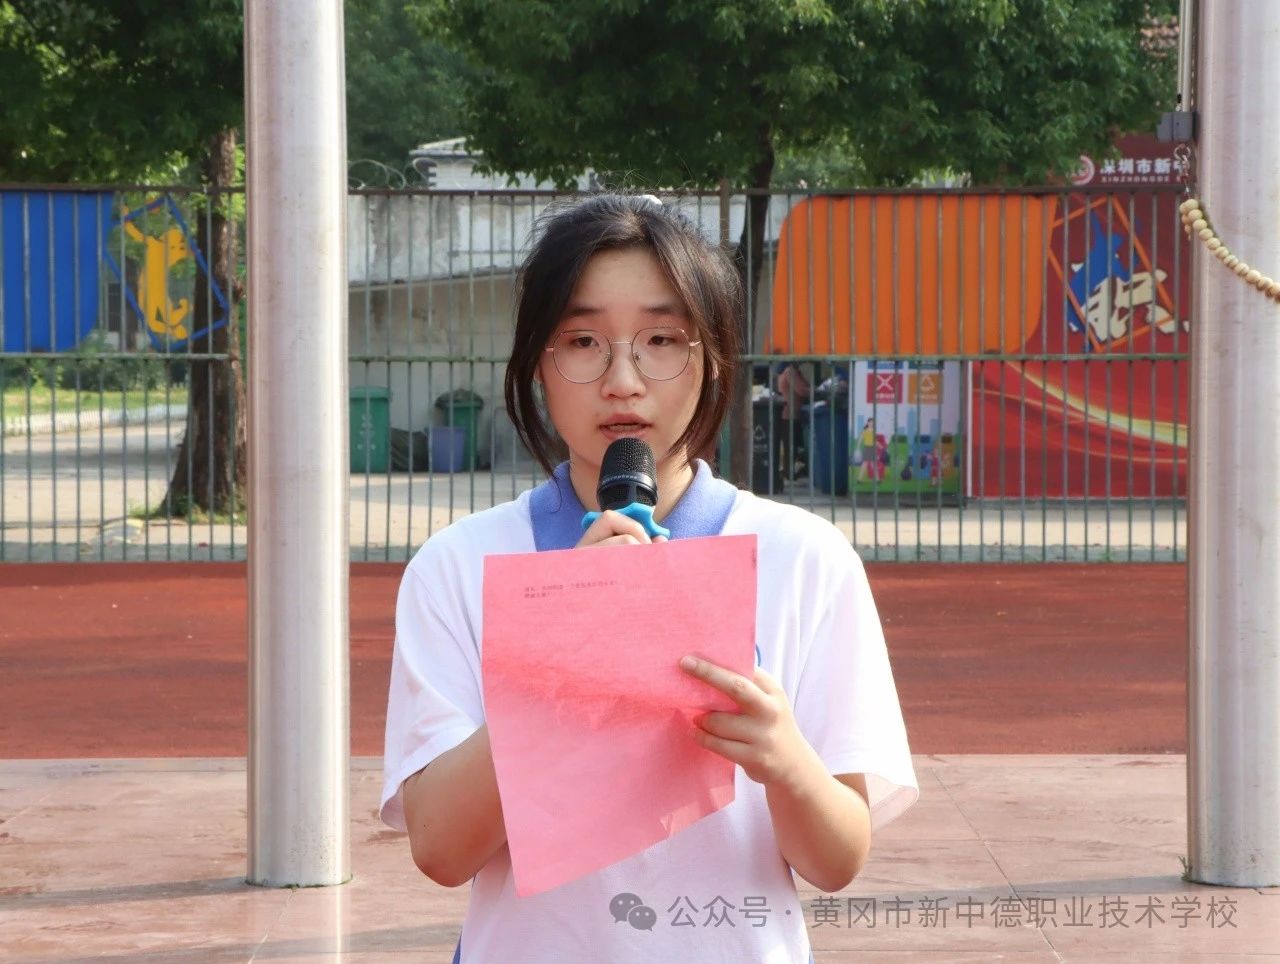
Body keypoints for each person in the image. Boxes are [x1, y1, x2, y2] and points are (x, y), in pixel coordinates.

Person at [380, 193, 918, 963]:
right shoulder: (458, 566)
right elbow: (440, 849)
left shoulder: (805, 559)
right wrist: (560, 655)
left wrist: (787, 760)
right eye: (583, 341)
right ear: (537, 363)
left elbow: (837, 859)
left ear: (713, 359)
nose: (623, 380)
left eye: (662, 339)